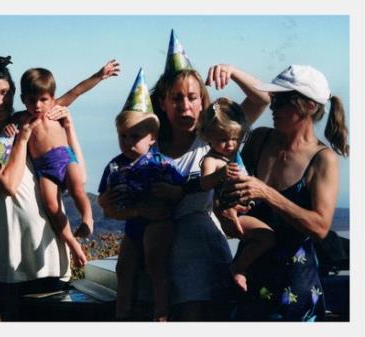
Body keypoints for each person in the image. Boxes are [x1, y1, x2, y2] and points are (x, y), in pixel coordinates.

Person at [99, 30, 270, 320]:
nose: (185, 106)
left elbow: (262, 98)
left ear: (203, 101)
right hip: (151, 252)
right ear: (162, 103)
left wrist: (233, 71)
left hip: (198, 254)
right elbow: (116, 201)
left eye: (192, 97)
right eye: (176, 98)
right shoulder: (144, 146)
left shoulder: (213, 138)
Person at [0, 56, 119, 321]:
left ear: (14, 92)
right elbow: (8, 184)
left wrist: (70, 122)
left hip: (49, 255)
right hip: (10, 261)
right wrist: (22, 137)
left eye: (4, 93)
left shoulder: (32, 117)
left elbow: (71, 98)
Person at [223, 64, 349, 321]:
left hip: (293, 290)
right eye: (274, 98)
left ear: (310, 107)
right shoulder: (259, 139)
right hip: (247, 278)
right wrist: (227, 208)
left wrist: (267, 193)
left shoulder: (322, 160)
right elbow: (230, 189)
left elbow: (320, 226)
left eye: (281, 101)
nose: (272, 106)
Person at [98, 68, 186, 321]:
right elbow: (104, 198)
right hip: (133, 225)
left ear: (152, 137)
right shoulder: (116, 165)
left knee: (154, 264)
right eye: (122, 136)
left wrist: (170, 192)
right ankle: (122, 314)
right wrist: (106, 200)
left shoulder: (162, 164)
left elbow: (180, 192)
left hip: (159, 222)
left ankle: (162, 314)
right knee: (123, 267)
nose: (127, 142)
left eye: (135, 136)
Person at [196, 97, 275, 292]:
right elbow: (204, 183)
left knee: (267, 236)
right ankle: (238, 268)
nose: (230, 144)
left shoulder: (233, 156)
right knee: (266, 237)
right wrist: (220, 175)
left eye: (235, 139)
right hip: (231, 214)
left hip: (245, 209)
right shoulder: (211, 160)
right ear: (208, 137)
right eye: (223, 140)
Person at [19, 67, 94, 267]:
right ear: (22, 99)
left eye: (43, 99)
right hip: (45, 168)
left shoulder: (55, 109)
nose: (37, 105)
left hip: (64, 158)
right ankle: (72, 243)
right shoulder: (22, 119)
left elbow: (77, 91)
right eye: (31, 100)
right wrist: (10, 127)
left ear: (51, 98)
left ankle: (87, 218)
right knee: (51, 206)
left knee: (78, 188)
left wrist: (100, 75)